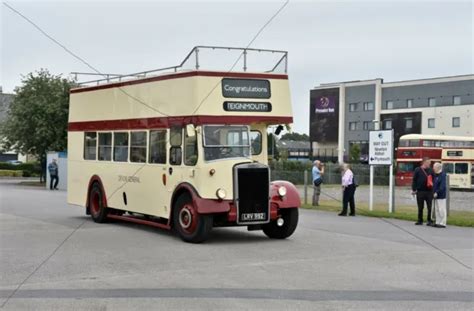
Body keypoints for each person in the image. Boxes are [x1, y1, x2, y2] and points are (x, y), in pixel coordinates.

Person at [411, 157, 434, 226]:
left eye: (430, 163)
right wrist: (413, 189)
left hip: (429, 191)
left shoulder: (431, 170)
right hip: (420, 191)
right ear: (424, 162)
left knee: (429, 207)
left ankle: (429, 220)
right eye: (428, 163)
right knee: (420, 207)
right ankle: (420, 220)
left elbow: (434, 180)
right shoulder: (417, 170)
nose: (429, 164)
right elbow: (414, 180)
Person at [432, 162, 447, 228]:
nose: (433, 168)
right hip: (435, 195)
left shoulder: (442, 175)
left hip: (441, 195)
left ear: (438, 168)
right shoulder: (436, 175)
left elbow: (442, 186)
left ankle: (443, 223)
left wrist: (437, 192)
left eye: (434, 167)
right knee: (437, 209)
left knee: (442, 209)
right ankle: (437, 222)